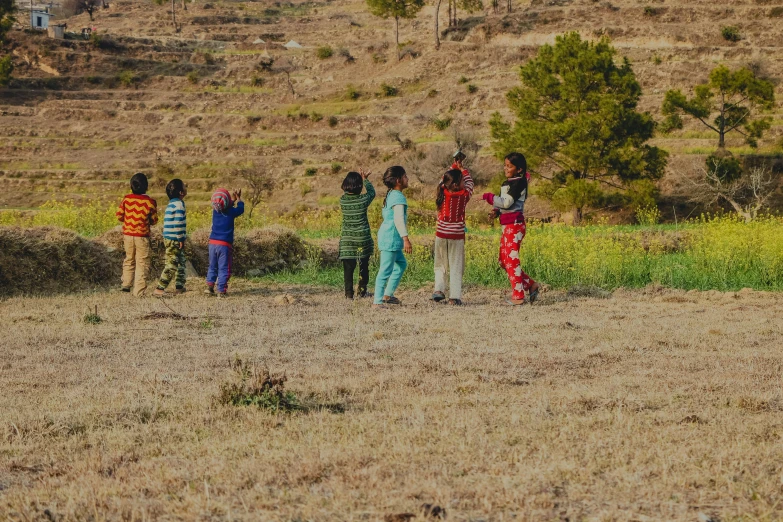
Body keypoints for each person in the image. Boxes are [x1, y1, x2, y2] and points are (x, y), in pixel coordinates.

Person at [481, 152, 540, 305]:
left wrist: (490, 198)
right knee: (503, 261)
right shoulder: (507, 183)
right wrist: (497, 211)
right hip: (506, 225)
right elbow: (506, 206)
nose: (505, 169)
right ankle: (530, 284)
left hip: (515, 225)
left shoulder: (519, 183)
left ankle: (518, 295)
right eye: (505, 165)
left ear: (519, 169)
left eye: (509, 166)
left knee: (511, 259)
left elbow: (507, 203)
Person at [432, 153, 474, 305]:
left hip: (441, 235)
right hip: (456, 236)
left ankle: (438, 290)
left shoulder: (442, 192)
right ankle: (454, 297)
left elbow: (443, 180)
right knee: (456, 265)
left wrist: (453, 166)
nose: (464, 182)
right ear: (457, 184)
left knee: (440, 264)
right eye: (461, 180)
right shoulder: (464, 196)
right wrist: (463, 169)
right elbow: (470, 184)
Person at [373, 166, 412, 308]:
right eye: (405, 176)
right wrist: (406, 238)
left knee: (401, 264)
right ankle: (377, 301)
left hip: (391, 238)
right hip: (390, 238)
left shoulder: (391, 194)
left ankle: (387, 295)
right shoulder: (397, 196)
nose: (407, 179)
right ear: (398, 180)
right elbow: (399, 219)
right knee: (385, 270)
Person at [117, 173, 157, 296]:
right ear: (146, 186)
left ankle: (126, 284)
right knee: (142, 262)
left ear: (131, 186)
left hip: (128, 235)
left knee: (129, 259)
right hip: (142, 237)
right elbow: (154, 220)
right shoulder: (150, 202)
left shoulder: (126, 199)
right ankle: (139, 291)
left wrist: (129, 220)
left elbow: (119, 216)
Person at [339, 169, 375, 299]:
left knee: (348, 270)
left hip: (347, 240)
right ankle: (362, 291)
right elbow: (372, 192)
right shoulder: (363, 200)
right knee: (363, 267)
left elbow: (346, 191)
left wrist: (352, 182)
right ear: (359, 187)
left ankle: (349, 294)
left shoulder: (342, 200)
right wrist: (365, 179)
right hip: (362, 238)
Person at [205, 188, 244, 298]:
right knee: (224, 268)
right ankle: (221, 290)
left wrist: (233, 199)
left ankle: (209, 287)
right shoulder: (231, 212)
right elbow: (240, 209)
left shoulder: (215, 210)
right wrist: (239, 199)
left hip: (212, 243)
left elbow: (224, 204)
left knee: (212, 266)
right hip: (224, 245)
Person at [153, 179, 188, 296]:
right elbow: (178, 224)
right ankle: (159, 289)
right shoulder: (179, 204)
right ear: (181, 192)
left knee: (181, 262)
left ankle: (179, 286)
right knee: (172, 264)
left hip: (170, 237)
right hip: (175, 239)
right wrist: (181, 239)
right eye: (184, 186)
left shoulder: (172, 203)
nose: (186, 187)